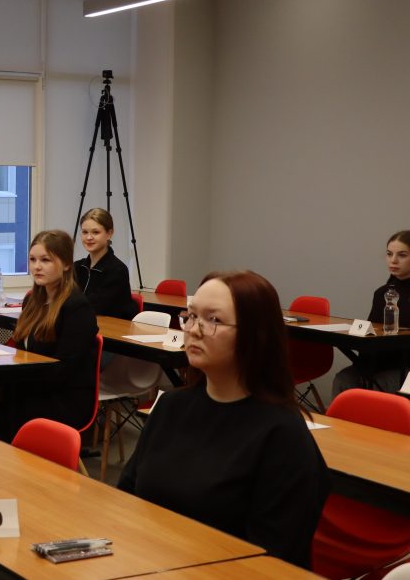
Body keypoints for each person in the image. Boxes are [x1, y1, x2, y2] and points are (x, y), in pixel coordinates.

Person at [118, 270, 329, 569]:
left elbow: (272, 561)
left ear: (254, 335)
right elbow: (126, 499)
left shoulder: (283, 435)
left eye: (213, 319)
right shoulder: (170, 407)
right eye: (191, 316)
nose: (194, 330)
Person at [0, 230, 99, 442]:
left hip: (62, 399)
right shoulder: (32, 302)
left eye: (45, 260)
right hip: (30, 390)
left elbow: (62, 371)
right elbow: (20, 356)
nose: (37, 266)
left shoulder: (77, 308)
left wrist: (10, 385)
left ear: (66, 264)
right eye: (32, 260)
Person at [332, 230, 410, 395]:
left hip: (405, 367)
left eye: (402, 255)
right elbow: (372, 333)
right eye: (389, 254)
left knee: (369, 388)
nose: (393, 260)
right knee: (343, 380)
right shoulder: (382, 293)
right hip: (380, 362)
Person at [74, 208, 138, 320]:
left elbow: (97, 308)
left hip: (111, 328)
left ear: (109, 233)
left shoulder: (118, 270)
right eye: (85, 232)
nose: (89, 237)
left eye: (95, 232)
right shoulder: (77, 267)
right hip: (82, 323)